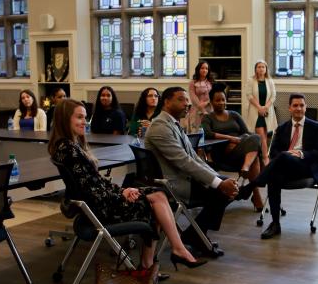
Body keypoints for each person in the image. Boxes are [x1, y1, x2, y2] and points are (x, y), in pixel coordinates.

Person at [48, 99, 204, 271]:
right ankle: (166, 256)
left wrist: (123, 190)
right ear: (65, 119)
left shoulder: (69, 146)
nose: (84, 122)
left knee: (158, 195)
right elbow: (90, 191)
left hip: (99, 203)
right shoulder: (69, 149)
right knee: (157, 200)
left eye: (85, 118)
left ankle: (158, 259)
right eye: (79, 117)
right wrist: (120, 194)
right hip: (100, 209)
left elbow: (95, 183)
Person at [144, 87, 238, 252]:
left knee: (225, 187)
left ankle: (196, 235)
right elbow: (184, 161)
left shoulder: (172, 123)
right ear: (166, 102)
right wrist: (219, 183)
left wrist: (218, 178)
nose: (187, 104)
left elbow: (194, 158)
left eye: (187, 100)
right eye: (181, 99)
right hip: (171, 185)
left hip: (184, 178)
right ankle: (196, 236)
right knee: (221, 192)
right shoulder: (160, 127)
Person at [237, 93, 318, 240]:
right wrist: (286, 155)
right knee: (274, 175)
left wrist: (300, 154)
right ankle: (275, 223)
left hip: (305, 168)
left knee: (283, 156)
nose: (299, 108)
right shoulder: (282, 128)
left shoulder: (316, 127)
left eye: (301, 105)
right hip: (285, 168)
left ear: (306, 107)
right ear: (289, 108)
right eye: (295, 105)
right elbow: (274, 151)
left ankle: (252, 185)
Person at [201, 88, 265, 211]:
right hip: (222, 154)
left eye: (223, 100)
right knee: (254, 156)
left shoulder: (234, 115)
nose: (221, 102)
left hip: (240, 153)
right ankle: (255, 194)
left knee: (255, 137)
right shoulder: (208, 118)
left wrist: (237, 141)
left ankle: (246, 168)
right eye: (217, 100)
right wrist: (230, 139)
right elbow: (208, 134)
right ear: (211, 101)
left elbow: (247, 133)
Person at [244, 60, 278, 166]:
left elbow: (273, 96)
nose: (261, 69)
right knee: (261, 135)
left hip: (267, 112)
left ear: (266, 69)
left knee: (267, 135)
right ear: (255, 69)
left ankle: (259, 155)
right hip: (256, 112)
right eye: (259, 67)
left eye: (263, 67)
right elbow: (249, 95)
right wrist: (259, 108)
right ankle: (265, 158)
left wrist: (265, 107)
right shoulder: (251, 80)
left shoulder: (270, 81)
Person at [185, 60, 214, 132]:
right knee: (196, 130)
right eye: (202, 68)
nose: (204, 70)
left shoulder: (211, 82)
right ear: (198, 69)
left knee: (209, 130)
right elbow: (193, 97)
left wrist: (207, 102)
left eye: (206, 68)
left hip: (209, 108)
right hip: (196, 110)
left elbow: (214, 95)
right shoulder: (193, 83)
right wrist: (202, 109)